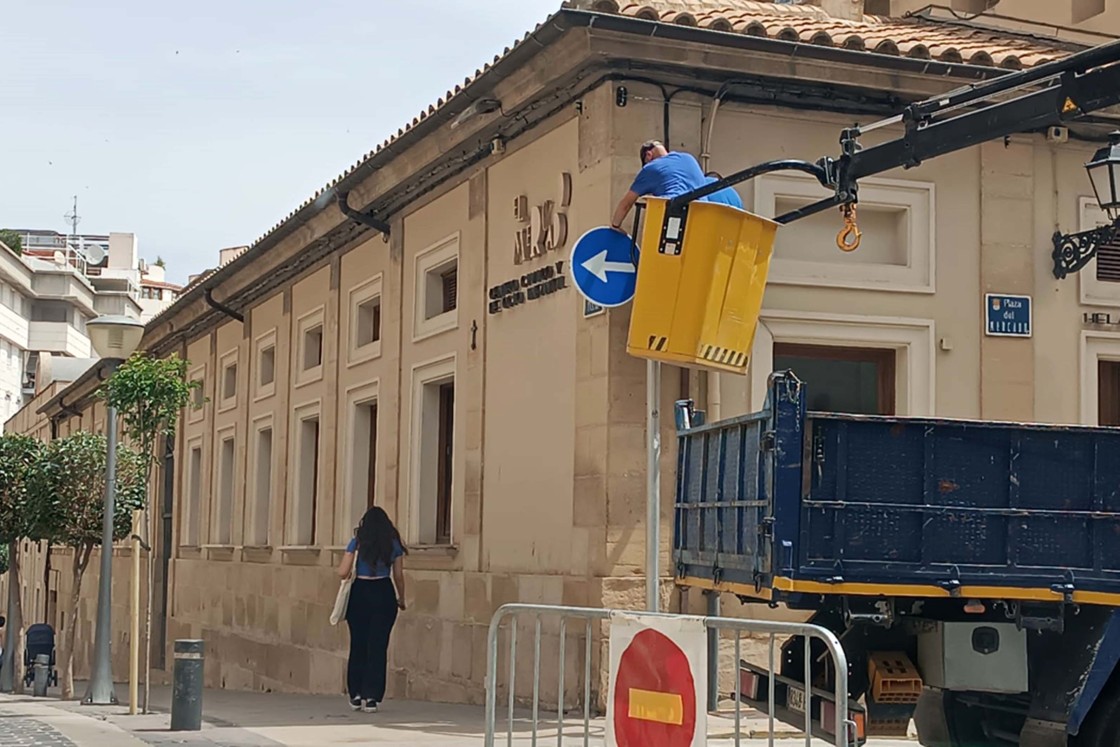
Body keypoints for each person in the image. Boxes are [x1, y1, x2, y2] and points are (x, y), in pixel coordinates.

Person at [337, 506, 407, 713]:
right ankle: (372, 697)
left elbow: (343, 572)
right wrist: (401, 598)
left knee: (358, 644)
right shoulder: (393, 544)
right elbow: (399, 576)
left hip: (360, 592)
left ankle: (355, 694)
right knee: (378, 646)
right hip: (384, 591)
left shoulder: (357, 542)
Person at [610, 140, 743, 231]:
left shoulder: (650, 169)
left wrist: (615, 226)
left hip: (674, 220)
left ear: (649, 155)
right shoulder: (689, 158)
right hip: (702, 219)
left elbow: (626, 204)